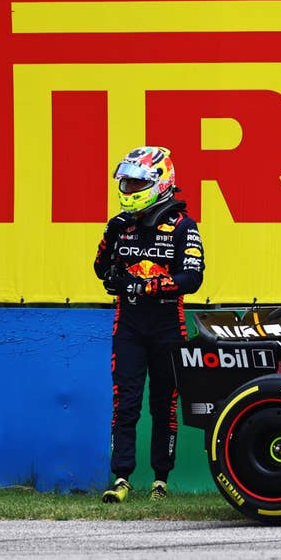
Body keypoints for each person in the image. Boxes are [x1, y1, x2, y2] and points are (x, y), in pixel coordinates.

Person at [93, 146, 205, 503]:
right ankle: (122, 476)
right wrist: (113, 276)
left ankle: (161, 479)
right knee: (125, 402)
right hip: (128, 325)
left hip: (167, 327)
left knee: (164, 403)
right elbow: (100, 267)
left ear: (160, 183)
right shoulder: (119, 226)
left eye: (134, 182)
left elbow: (193, 277)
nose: (127, 190)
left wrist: (148, 286)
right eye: (124, 183)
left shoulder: (183, 226)